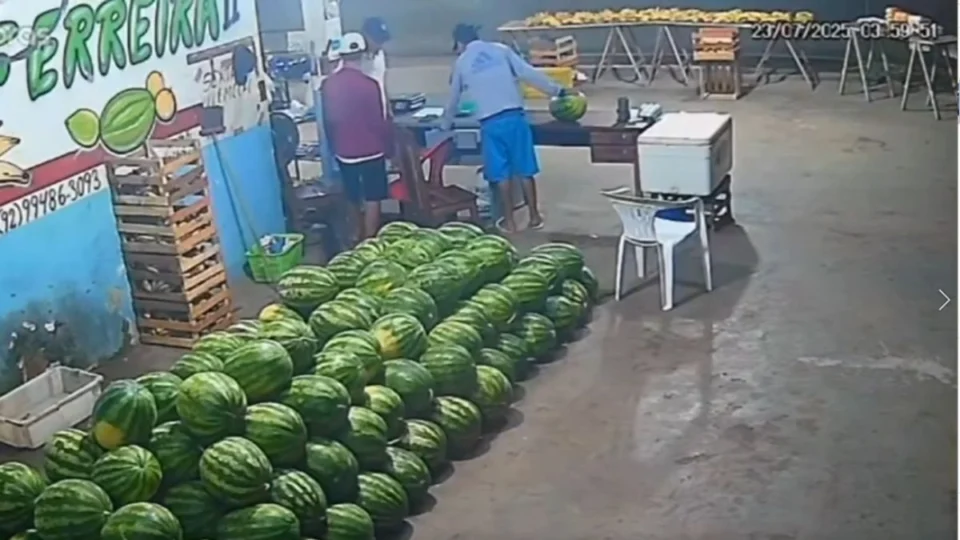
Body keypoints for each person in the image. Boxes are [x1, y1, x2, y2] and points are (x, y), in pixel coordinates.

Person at [441, 23, 571, 233]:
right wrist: (557, 90)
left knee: (501, 174)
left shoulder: (462, 63)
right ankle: (535, 217)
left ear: (459, 42)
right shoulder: (501, 50)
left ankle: (509, 221)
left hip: (490, 123)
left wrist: (445, 124)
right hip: (515, 118)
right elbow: (528, 73)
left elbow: (453, 98)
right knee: (525, 170)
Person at [321, 32, 393, 242]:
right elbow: (379, 122)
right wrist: (389, 148)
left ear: (341, 55)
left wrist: (335, 146)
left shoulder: (329, 85)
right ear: (362, 55)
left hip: (345, 151)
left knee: (352, 194)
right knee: (373, 196)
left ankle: (355, 234)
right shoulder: (370, 85)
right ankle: (370, 240)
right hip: (372, 150)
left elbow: (329, 121)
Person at [360, 16, 391, 113]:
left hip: (381, 111)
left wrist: (388, 107)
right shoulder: (357, 60)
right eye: (377, 40)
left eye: (382, 40)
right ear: (366, 37)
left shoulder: (380, 54)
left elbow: (381, 81)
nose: (380, 44)